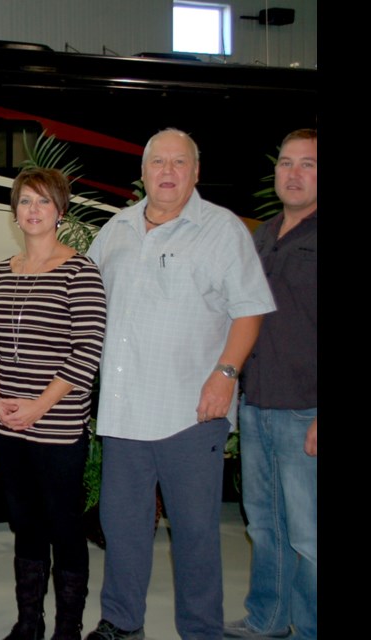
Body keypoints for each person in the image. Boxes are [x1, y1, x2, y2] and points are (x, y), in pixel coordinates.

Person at [84, 129, 276, 640]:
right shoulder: (117, 229)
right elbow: (85, 298)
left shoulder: (222, 229)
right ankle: (123, 624)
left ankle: (200, 630)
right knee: (123, 531)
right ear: (143, 172)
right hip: (123, 416)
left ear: (195, 172)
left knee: (194, 537)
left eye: (179, 162)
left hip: (192, 412)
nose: (167, 172)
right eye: (157, 162)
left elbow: (250, 309)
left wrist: (226, 373)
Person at [0, 168, 106, 640]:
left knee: (64, 526)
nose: (33, 210)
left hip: (57, 428)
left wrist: (37, 406)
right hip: (5, 426)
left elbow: (86, 350)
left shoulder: (80, 270)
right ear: (15, 211)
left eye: (43, 202)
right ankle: (28, 622)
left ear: (59, 211)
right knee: (26, 525)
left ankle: (67, 628)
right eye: (25, 201)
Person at [224, 129, 317, 640]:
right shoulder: (262, 235)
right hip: (257, 404)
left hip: (306, 410)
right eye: (286, 163)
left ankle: (309, 627)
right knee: (264, 524)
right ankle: (267, 618)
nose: (294, 173)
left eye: (308, 164)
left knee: (309, 534)